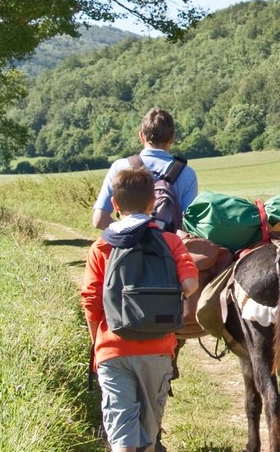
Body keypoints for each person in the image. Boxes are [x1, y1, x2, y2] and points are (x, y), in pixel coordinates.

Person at [81, 167, 201, 452]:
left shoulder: (101, 246)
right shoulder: (170, 242)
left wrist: (97, 341)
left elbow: (90, 302)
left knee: (121, 428)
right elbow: (190, 284)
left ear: (115, 205)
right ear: (153, 203)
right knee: (149, 432)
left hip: (113, 349)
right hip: (157, 349)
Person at [92, 108, 199, 231]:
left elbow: (99, 219)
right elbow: (189, 226)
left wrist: (129, 235)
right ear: (172, 138)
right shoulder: (187, 173)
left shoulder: (120, 167)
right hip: (168, 248)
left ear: (141, 136)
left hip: (127, 249)